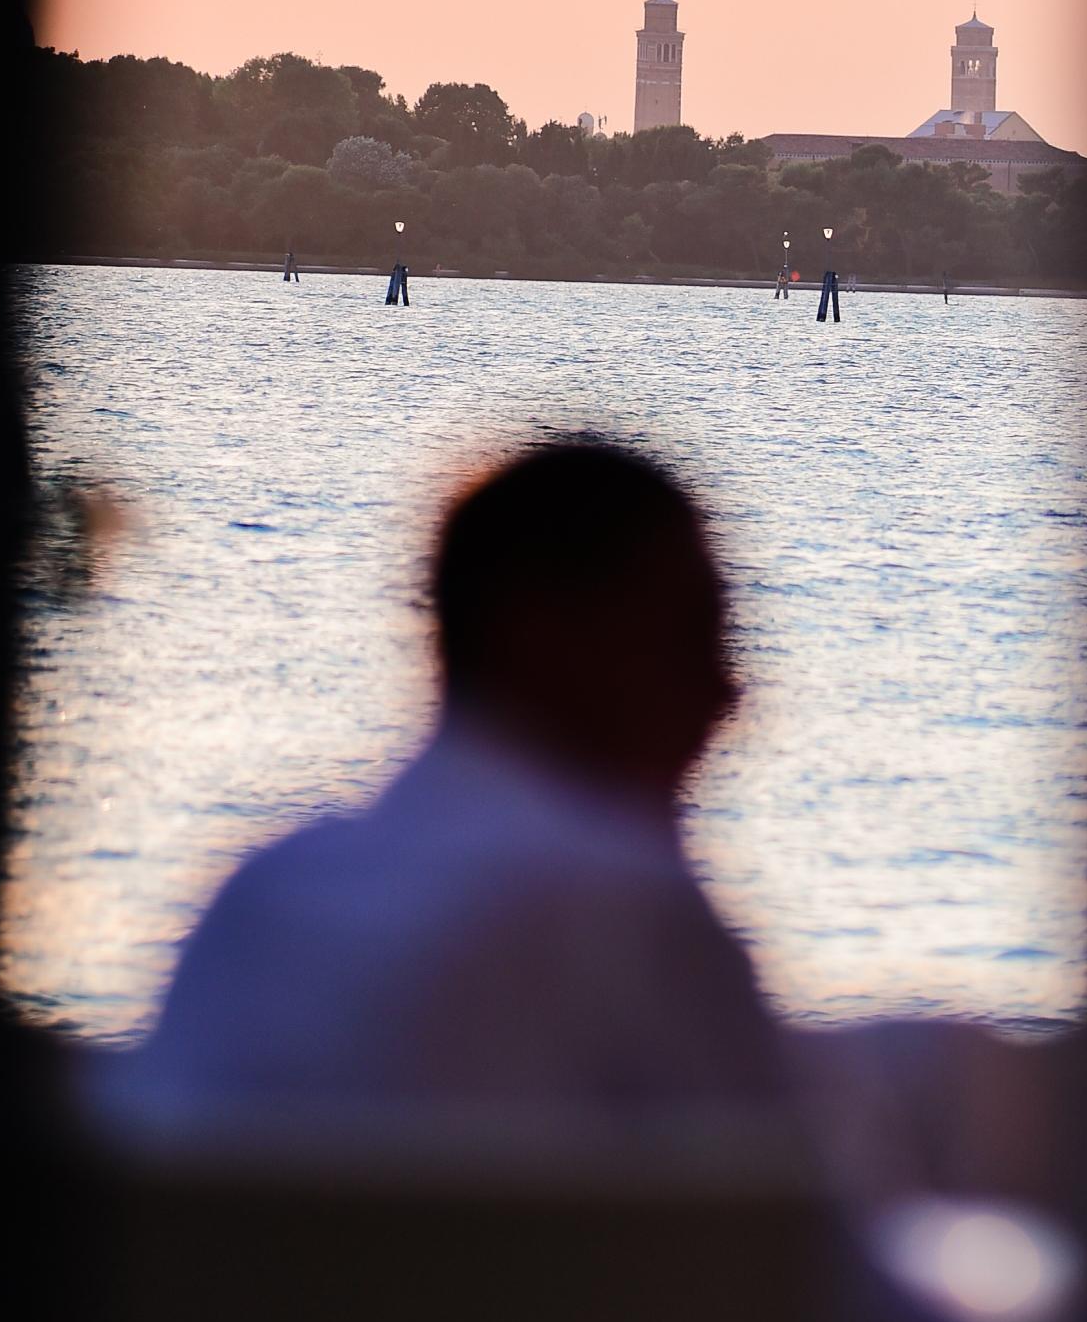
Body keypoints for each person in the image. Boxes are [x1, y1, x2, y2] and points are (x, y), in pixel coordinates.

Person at [118, 440, 784, 1120]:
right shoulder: (639, 913)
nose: (728, 689)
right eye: (691, 635)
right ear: (540, 635)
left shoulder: (262, 895)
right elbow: (797, 1209)